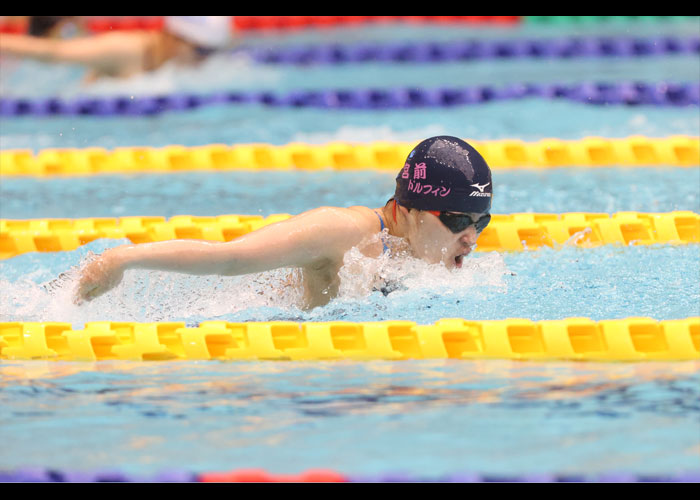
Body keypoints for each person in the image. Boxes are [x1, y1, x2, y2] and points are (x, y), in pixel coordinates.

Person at [75, 136, 493, 309]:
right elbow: (231, 257)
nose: (471, 238)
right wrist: (122, 259)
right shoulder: (344, 231)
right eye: (458, 220)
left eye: (481, 221)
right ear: (410, 210)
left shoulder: (420, 255)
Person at [0, 16, 234, 80]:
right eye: (202, 52)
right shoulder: (124, 49)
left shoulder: (168, 62)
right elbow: (52, 53)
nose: (205, 61)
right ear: (174, 37)